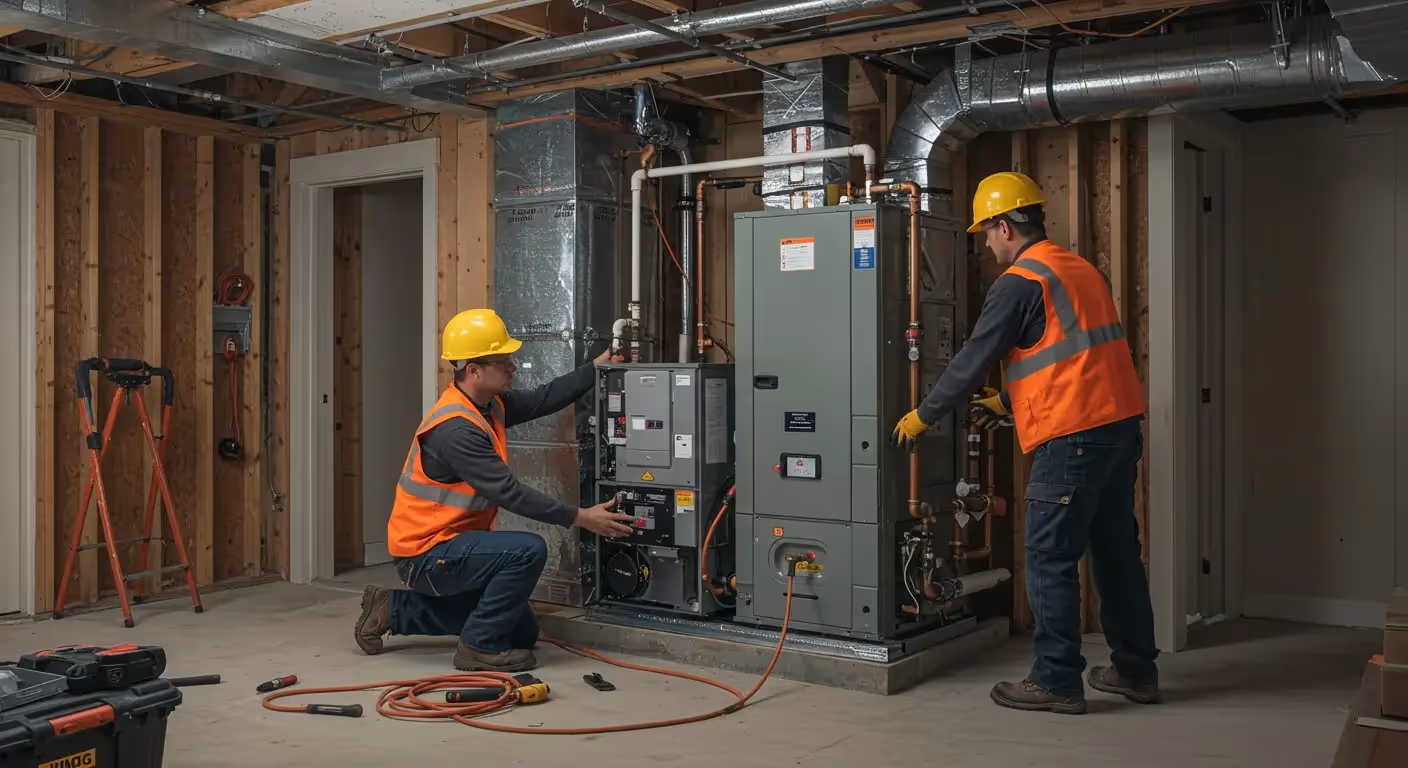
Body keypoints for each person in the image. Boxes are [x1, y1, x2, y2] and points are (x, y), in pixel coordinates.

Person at [890, 172, 1159, 715]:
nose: (986, 245)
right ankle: (1136, 672)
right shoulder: (1080, 270)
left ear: (1006, 226)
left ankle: (1056, 680)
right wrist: (1010, 404)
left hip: (1072, 440)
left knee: (1049, 558)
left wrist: (925, 414)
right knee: (1116, 557)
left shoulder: (1018, 281)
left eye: (987, 233)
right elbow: (1079, 357)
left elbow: (970, 360)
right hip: (1117, 431)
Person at [353, 308, 636, 673]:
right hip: (424, 554)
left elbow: (544, 397)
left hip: (452, 542)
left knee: (523, 630)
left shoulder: (488, 406)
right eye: (504, 361)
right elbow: (510, 493)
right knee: (527, 550)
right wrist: (581, 517)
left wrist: (596, 367)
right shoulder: (457, 429)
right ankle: (478, 647)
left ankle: (392, 610)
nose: (513, 367)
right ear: (474, 370)